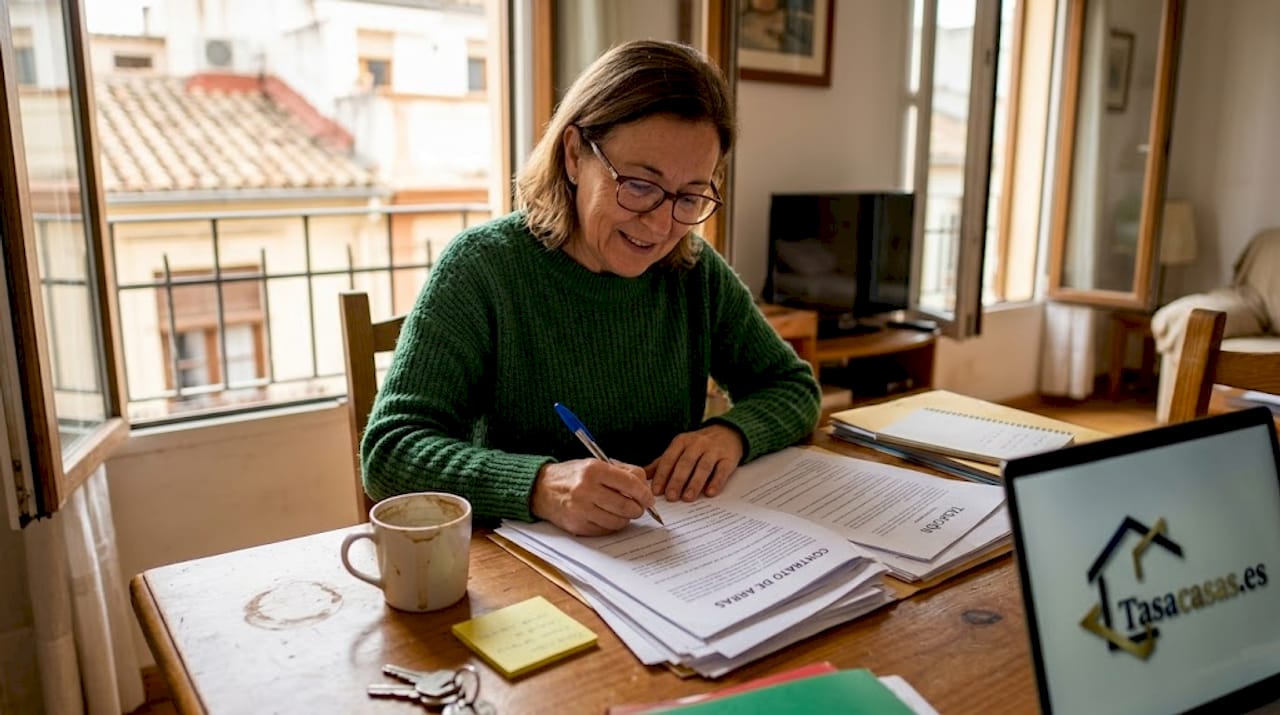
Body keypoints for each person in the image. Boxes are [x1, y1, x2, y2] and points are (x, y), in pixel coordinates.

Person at [361, 39, 819, 536]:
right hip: (522, 566)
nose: (662, 225)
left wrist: (732, 434)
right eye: (640, 185)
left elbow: (793, 388)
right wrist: (541, 485)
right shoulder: (483, 269)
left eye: (689, 196)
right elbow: (391, 449)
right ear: (575, 154)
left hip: (667, 551)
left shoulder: (692, 270)